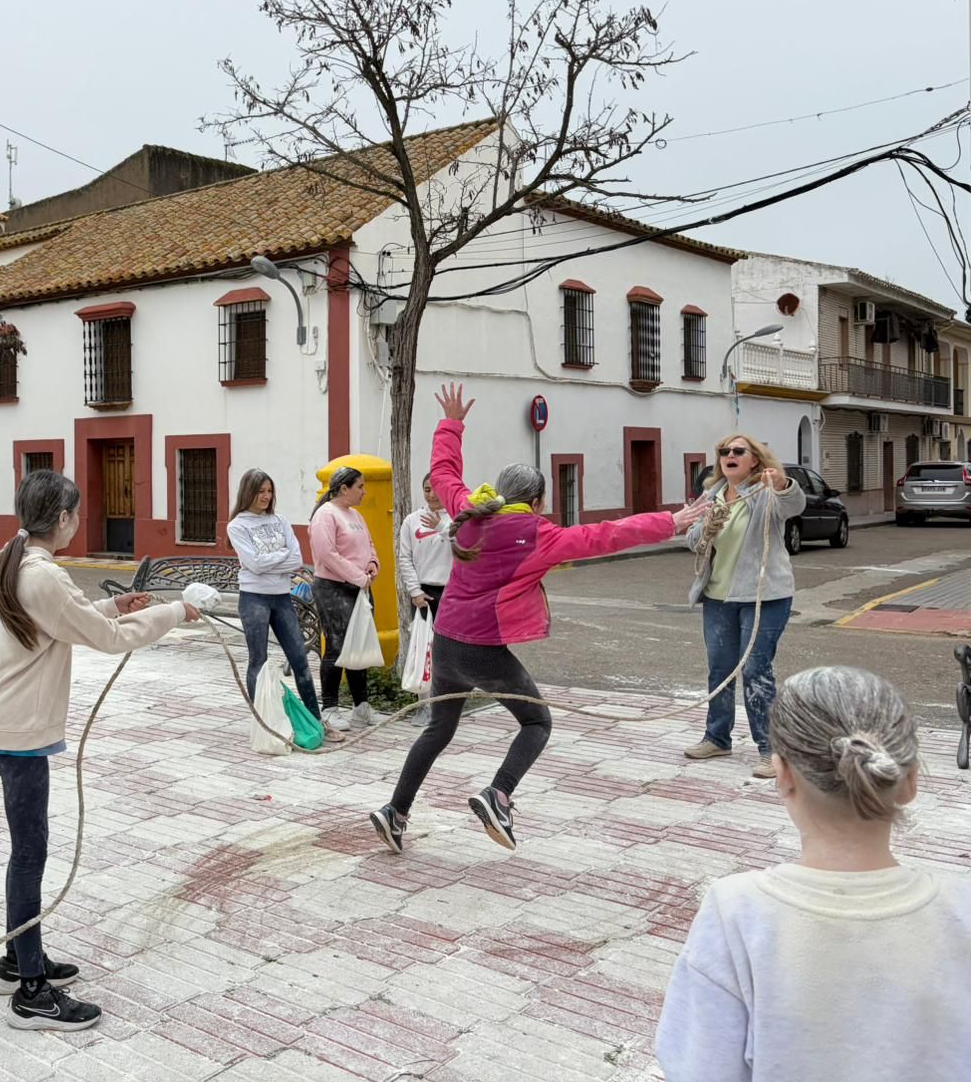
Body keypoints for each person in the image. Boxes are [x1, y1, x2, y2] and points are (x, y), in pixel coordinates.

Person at [370, 384, 705, 856]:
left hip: (446, 637)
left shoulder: (467, 510)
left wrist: (451, 422)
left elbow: (444, 471)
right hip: (484, 648)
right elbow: (606, 535)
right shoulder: (539, 534)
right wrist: (671, 522)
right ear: (539, 500)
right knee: (537, 722)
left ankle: (394, 812)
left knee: (438, 729)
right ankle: (498, 794)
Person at [656, 666, 971, 1080]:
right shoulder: (961, 909)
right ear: (911, 781)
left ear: (782, 775)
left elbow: (699, 1067)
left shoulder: (736, 912)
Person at [0, 469, 199, 1031]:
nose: (79, 519)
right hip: (20, 730)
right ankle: (30, 990)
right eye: (77, 511)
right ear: (65, 518)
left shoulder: (16, 557)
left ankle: (17, 958)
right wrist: (175, 612)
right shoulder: (42, 575)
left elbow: (66, 623)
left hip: (10, 723)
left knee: (27, 851)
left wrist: (116, 606)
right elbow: (106, 642)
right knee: (30, 855)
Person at [685, 432, 804, 779]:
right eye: (724, 451)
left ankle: (772, 750)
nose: (729, 455)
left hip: (764, 596)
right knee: (719, 670)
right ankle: (717, 737)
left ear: (755, 459)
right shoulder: (713, 495)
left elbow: (793, 506)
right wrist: (706, 526)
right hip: (719, 596)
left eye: (739, 451)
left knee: (755, 670)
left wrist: (783, 484)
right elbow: (693, 541)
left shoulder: (766, 492)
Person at [226, 469, 343, 743]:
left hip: (282, 597)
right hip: (253, 598)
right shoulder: (237, 525)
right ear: (248, 492)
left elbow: (296, 560)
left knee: (300, 660)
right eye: (261, 491)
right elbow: (253, 564)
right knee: (259, 661)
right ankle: (264, 724)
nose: (266, 496)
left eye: (269, 491)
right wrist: (279, 558)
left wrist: (270, 560)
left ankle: (316, 722)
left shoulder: (280, 521)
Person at [309, 466, 388, 734]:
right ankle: (329, 708)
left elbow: (370, 544)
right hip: (333, 588)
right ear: (344, 489)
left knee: (360, 645)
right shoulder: (325, 515)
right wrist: (357, 575)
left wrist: (373, 564)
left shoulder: (356, 515)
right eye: (360, 487)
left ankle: (361, 707)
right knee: (336, 646)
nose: (364, 492)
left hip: (359, 587)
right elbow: (327, 554)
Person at [395, 475, 454, 729]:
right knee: (423, 650)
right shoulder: (411, 521)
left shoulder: (456, 519)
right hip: (423, 595)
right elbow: (404, 558)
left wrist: (442, 527)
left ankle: (446, 706)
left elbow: (465, 548)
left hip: (452, 593)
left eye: (436, 489)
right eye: (427, 489)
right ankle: (423, 705)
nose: (431, 495)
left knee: (449, 652)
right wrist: (415, 591)